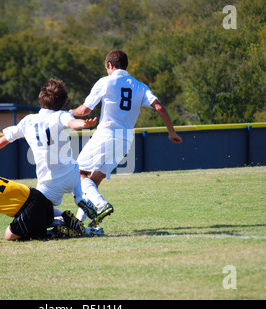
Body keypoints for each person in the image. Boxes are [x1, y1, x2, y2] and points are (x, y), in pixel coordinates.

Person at [70, 49, 183, 227]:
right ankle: (80, 222)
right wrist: (172, 132)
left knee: (79, 172)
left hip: (106, 134)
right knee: (94, 180)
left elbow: (84, 111)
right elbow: (159, 107)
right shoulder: (139, 85)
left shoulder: (106, 82)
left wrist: (70, 113)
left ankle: (101, 205)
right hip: (125, 140)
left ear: (109, 65)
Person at [0, 79, 98, 223]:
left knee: (39, 214)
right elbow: (72, 123)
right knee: (76, 167)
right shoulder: (61, 115)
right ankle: (78, 198)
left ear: (41, 99)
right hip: (71, 177)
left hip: (48, 181)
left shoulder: (28, 120)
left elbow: (5, 139)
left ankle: (65, 222)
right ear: (62, 102)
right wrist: (84, 124)